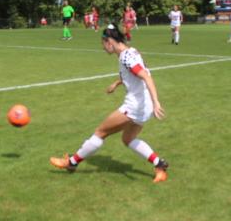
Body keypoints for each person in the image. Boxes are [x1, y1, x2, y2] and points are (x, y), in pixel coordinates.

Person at [50, 24, 169, 183]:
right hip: (143, 106)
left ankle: (71, 163)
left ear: (109, 42)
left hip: (135, 106)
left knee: (100, 132)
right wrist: (117, 83)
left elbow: (146, 77)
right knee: (128, 139)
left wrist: (156, 102)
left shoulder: (126, 57)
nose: (103, 48)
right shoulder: (130, 52)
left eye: (103, 44)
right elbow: (134, 74)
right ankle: (159, 165)